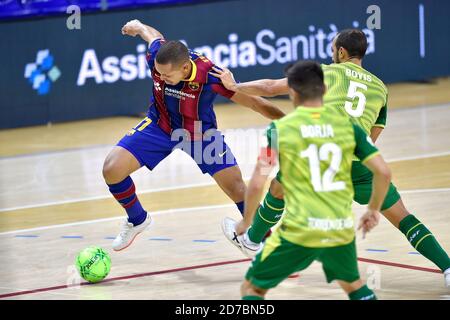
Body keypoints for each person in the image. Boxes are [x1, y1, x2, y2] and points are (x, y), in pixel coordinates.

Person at [214, 29, 450, 287]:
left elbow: (271, 88)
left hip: (325, 152)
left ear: (341, 52)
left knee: (279, 188)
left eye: (332, 49)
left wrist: (234, 86)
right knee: (404, 217)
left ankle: (252, 239)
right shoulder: (381, 89)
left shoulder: (329, 72)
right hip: (360, 161)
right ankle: (447, 268)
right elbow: (373, 134)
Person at [103, 19, 285, 251]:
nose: (161, 78)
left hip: (199, 134)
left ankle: (266, 245)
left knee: (237, 187)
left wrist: (289, 123)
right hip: (159, 125)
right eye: (158, 73)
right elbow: (153, 36)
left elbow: (255, 103)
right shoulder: (158, 57)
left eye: (167, 75)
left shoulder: (211, 77)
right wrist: (138, 27)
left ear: (185, 68)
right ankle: (137, 219)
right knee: (111, 169)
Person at [239, 60, 390, 300]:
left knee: (251, 289)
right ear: (326, 90)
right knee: (355, 286)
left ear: (292, 93)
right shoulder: (349, 128)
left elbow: (258, 182)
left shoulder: (280, 129)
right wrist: (372, 210)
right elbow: (383, 172)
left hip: (300, 231)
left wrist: (246, 223)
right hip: (340, 229)